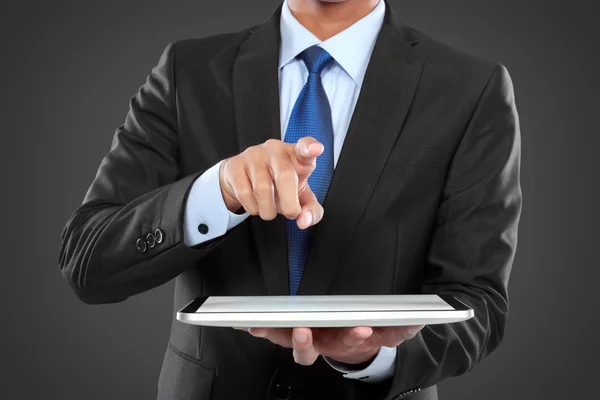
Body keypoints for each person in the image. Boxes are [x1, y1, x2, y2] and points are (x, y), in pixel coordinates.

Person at [59, 0, 522, 398]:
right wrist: (217, 191)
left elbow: (477, 301)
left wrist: (374, 355)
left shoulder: (472, 89)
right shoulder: (188, 71)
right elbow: (88, 261)